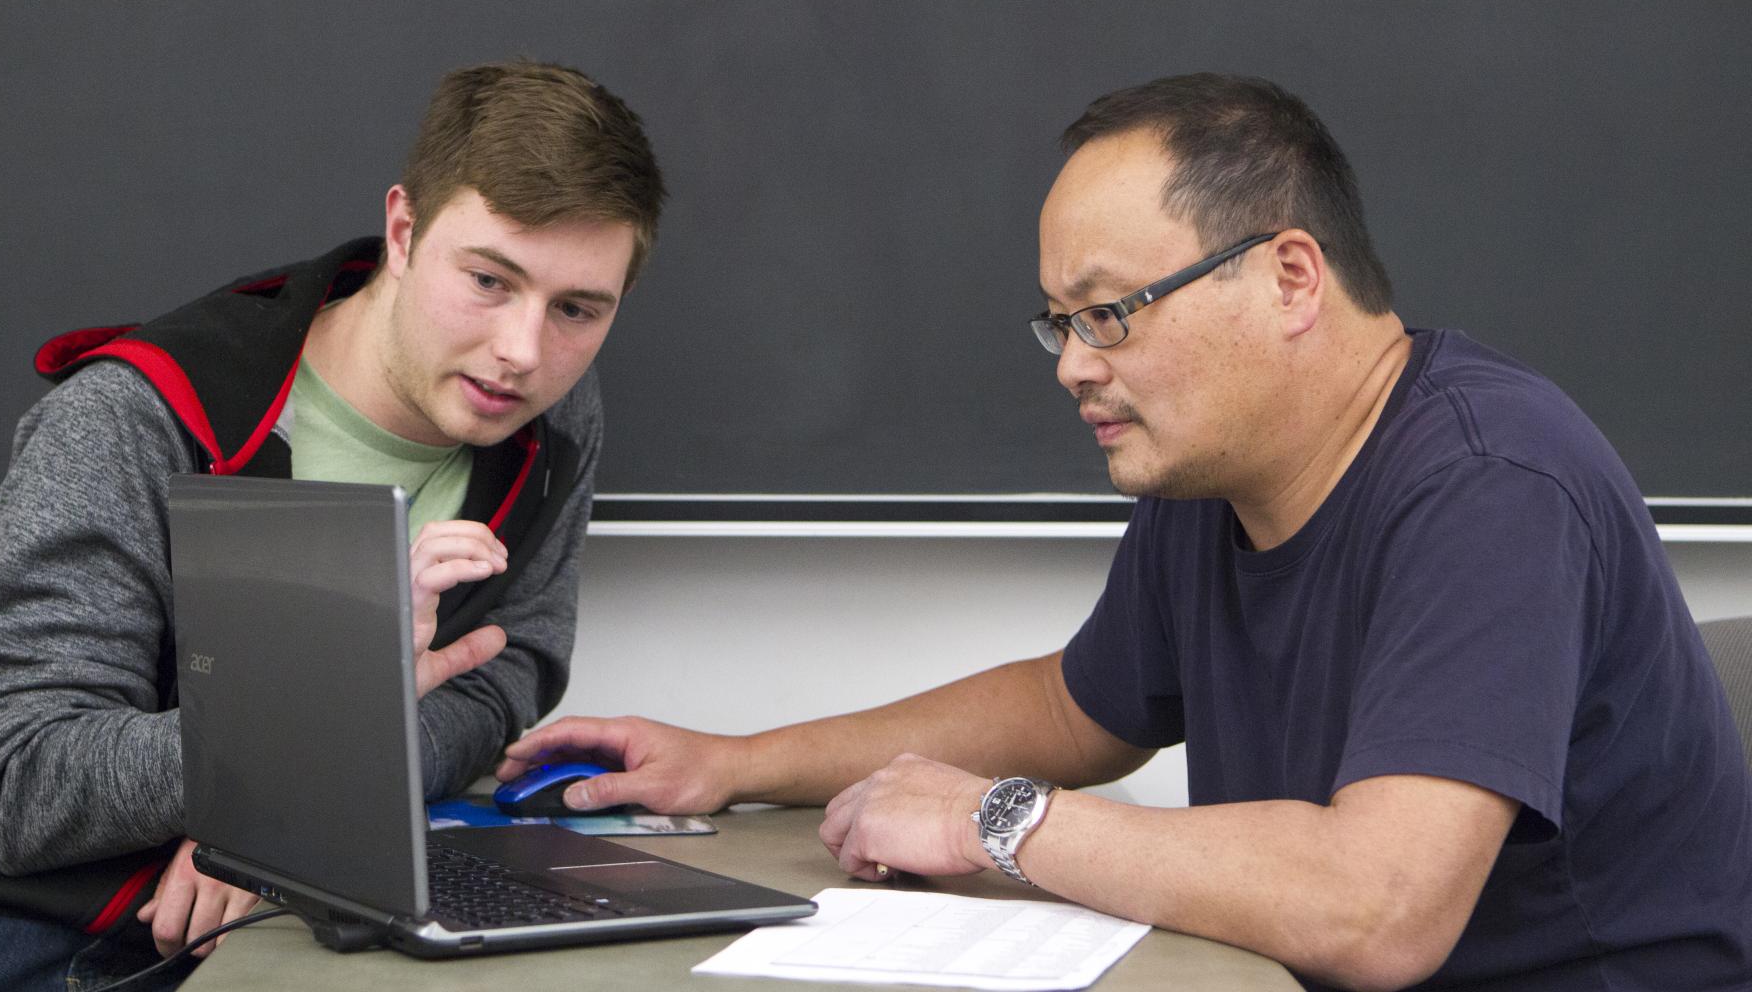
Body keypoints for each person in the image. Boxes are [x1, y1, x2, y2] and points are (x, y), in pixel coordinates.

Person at [500, 74, 1752, 990]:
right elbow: (1075, 708)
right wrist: (732, 760)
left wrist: (999, 821)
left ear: (1292, 278)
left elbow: (1381, 911)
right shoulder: (1210, 475)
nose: (1073, 370)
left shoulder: (1494, 484)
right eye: (1060, 324)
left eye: (1110, 314)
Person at [0, 59, 665, 991]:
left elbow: (513, 665)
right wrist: (303, 764)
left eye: (578, 310)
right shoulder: (128, 419)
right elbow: (24, 785)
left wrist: (306, 815)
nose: (523, 349)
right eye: (487, 281)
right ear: (403, 230)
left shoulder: (553, 412)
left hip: (230, 929)